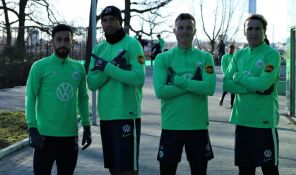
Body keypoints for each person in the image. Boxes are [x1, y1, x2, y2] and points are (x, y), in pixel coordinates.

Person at [153, 13, 216, 175]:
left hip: (198, 126)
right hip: (171, 126)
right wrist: (194, 83)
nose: (185, 31)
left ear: (195, 31)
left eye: (189, 28)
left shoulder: (205, 57)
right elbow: (160, 91)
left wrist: (177, 81)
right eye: (181, 27)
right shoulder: (163, 58)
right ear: (174, 31)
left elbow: (209, 88)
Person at [25, 24, 92, 175]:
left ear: (72, 42)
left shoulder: (78, 68)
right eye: (59, 39)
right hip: (44, 135)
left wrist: (87, 126)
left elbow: (83, 98)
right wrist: (32, 129)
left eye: (66, 40)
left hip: (69, 136)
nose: (63, 44)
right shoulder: (39, 66)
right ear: (52, 42)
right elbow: (30, 99)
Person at [87, 5, 146, 175]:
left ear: (120, 22)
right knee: (113, 169)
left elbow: (138, 78)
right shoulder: (99, 49)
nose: (108, 24)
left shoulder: (132, 45)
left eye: (112, 19)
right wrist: (112, 66)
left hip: (126, 115)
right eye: (104, 20)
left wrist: (106, 67)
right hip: (106, 116)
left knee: (127, 170)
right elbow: (91, 83)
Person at [223, 14, 280, 175]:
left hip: (264, 123)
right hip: (242, 122)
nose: (253, 32)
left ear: (264, 32)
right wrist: (253, 85)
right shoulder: (239, 55)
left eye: (257, 29)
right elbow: (226, 84)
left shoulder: (272, 54)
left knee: (270, 171)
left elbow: (264, 84)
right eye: (250, 29)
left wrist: (239, 77)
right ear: (244, 31)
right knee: (245, 171)